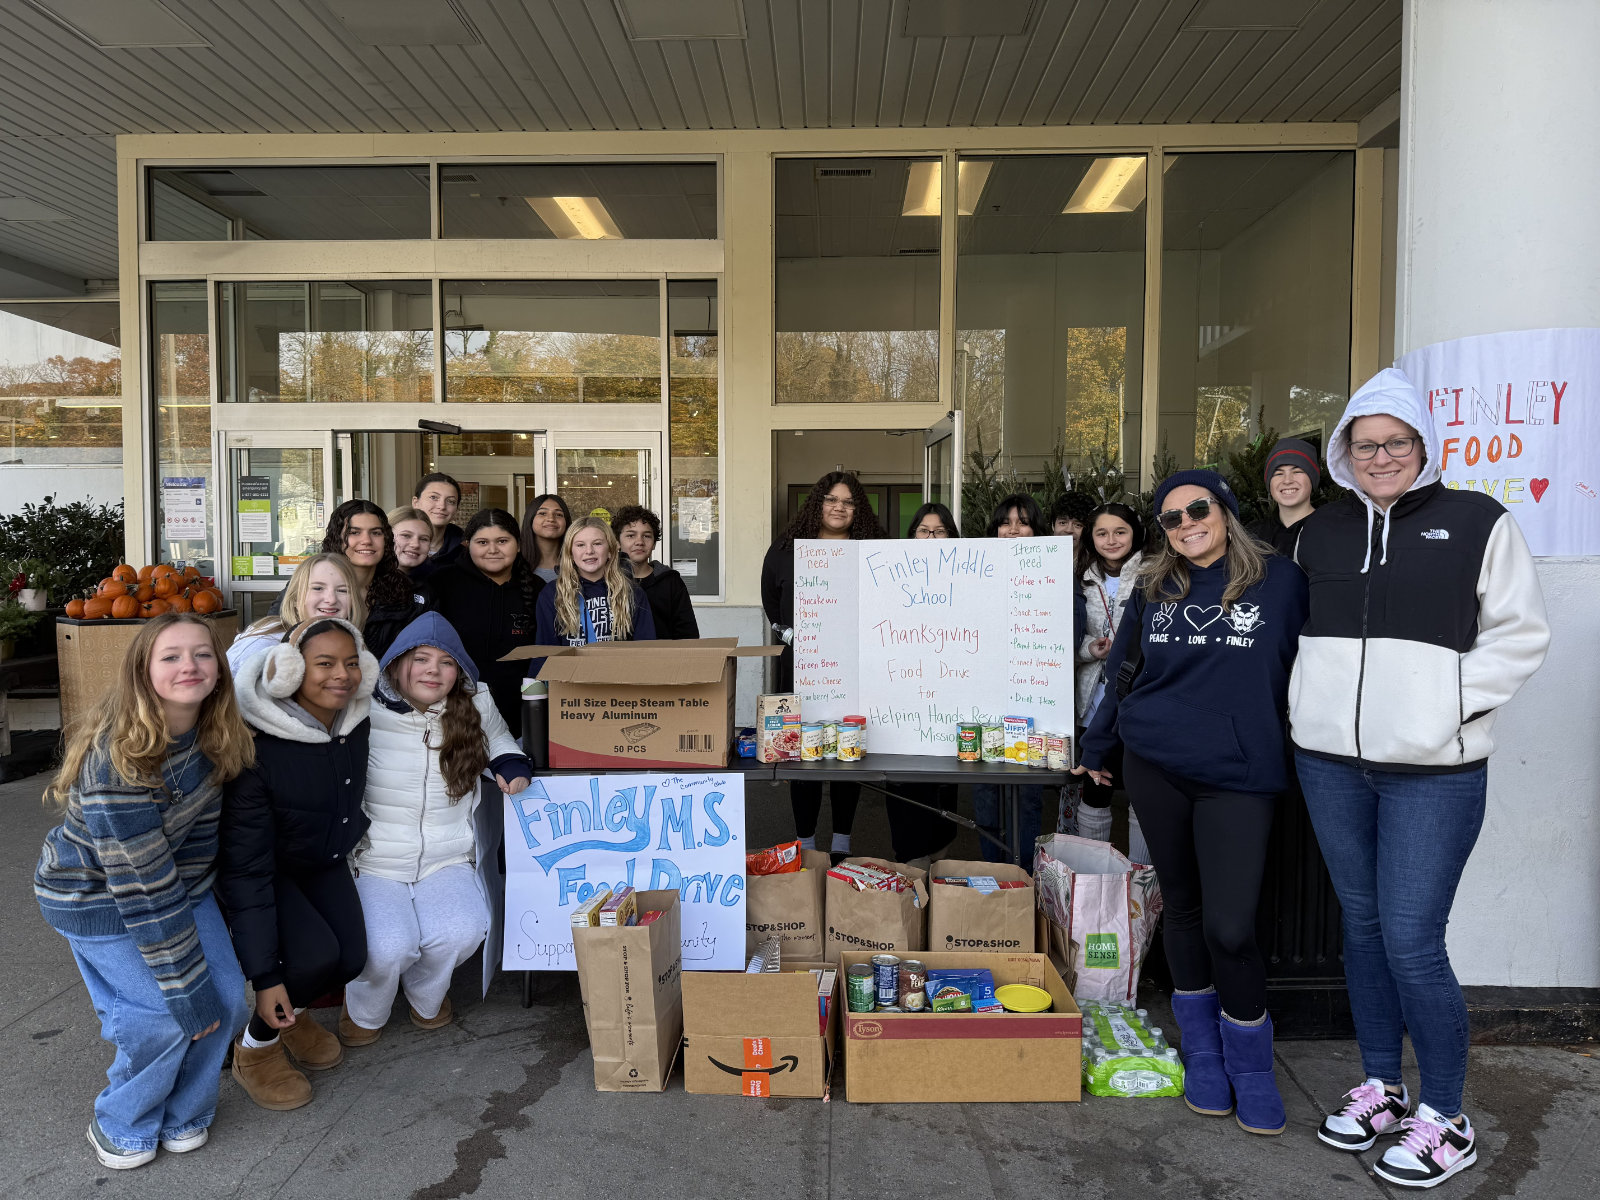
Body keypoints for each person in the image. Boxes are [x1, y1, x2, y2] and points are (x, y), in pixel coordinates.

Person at [1290, 368, 1549, 1188]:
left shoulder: (1477, 521)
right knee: (1361, 929)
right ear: (1344, 453)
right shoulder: (1320, 533)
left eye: (1396, 442)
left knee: (1411, 938)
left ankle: (1447, 1116)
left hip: (1434, 772)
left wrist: (1452, 706)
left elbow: (1519, 632)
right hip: (1331, 764)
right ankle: (1383, 1085)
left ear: (1422, 445)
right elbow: (1290, 632)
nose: (1381, 457)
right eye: (1365, 445)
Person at [1075, 469, 1307, 1137]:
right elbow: (1124, 668)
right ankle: (1203, 1052)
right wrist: (1098, 743)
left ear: (1225, 511)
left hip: (1240, 771)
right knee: (1182, 904)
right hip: (1156, 762)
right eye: (1171, 519)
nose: (1186, 524)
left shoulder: (1281, 582)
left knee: (1231, 926)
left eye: (1197, 509)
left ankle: (1252, 1066)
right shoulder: (1156, 584)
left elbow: (1318, 664)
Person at [34, 614, 254, 1170]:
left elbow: (200, 843)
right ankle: (122, 1118)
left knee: (225, 1000)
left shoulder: (215, 733)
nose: (190, 666)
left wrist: (205, 965)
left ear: (220, 668)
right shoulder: (118, 757)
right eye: (171, 656)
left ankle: (186, 1108)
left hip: (178, 886)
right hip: (96, 897)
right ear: (143, 670)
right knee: (163, 1014)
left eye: (203, 654)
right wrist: (183, 985)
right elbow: (142, 888)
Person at [341, 613, 531, 1045]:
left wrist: (509, 763)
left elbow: (498, 738)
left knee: (462, 931)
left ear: (459, 671)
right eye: (421, 658)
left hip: (448, 854)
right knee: (387, 947)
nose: (433, 670)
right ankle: (366, 1012)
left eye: (446, 662)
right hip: (375, 859)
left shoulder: (475, 702)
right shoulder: (362, 706)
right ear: (394, 664)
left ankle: (426, 997)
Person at [220, 618, 376, 1112]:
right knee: (311, 961)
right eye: (324, 663)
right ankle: (255, 1047)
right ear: (288, 671)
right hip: (266, 871)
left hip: (323, 857)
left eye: (352, 663)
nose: (343, 675)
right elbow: (245, 872)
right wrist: (265, 978)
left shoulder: (354, 723)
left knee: (351, 959)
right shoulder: (258, 749)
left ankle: (293, 1013)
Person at [761, 471, 884, 861]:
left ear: (857, 509)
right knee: (805, 754)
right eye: (832, 499)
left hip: (857, 668)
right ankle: (807, 843)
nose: (839, 507)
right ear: (818, 503)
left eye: (848, 502)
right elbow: (770, 601)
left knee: (848, 750)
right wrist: (792, 634)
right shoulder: (784, 549)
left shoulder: (874, 548)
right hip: (802, 668)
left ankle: (843, 842)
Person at [973, 492, 1049, 864]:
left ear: (1038, 530)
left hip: (1033, 704)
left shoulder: (1054, 578)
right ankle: (993, 883)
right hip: (981, 704)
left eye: (1023, 522)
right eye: (1005, 522)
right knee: (985, 795)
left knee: (1025, 797)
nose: (1013, 530)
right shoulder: (974, 574)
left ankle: (1024, 883)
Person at [886, 502, 961, 865]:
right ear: (911, 536)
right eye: (924, 531)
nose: (931, 538)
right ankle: (912, 873)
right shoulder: (888, 580)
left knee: (944, 794)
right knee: (905, 789)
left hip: (951, 700)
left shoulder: (968, 581)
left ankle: (940, 865)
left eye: (940, 531)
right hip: (901, 701)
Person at [1074, 502, 1148, 854]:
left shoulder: (1156, 573)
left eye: (1120, 531)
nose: (1111, 540)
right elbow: (1059, 640)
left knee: (1143, 794)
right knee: (1096, 787)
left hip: (1140, 700)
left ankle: (1142, 890)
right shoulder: (1079, 577)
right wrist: (1092, 648)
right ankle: (1094, 882)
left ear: (1135, 533)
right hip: (1093, 702)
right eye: (1101, 533)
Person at [431, 508, 544, 729]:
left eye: (502, 541)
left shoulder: (539, 590)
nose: (493, 550)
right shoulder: (441, 584)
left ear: (519, 544)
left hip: (521, 718)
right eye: (482, 542)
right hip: (452, 713)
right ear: (467, 545)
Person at [317, 500, 430, 658]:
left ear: (387, 539)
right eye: (354, 532)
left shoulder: (406, 593)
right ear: (337, 538)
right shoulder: (309, 586)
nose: (367, 541)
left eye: (376, 532)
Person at [228, 554, 365, 674]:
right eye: (318, 588)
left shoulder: (351, 646)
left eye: (342, 590)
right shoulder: (264, 645)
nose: (331, 599)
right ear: (295, 598)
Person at [533, 517, 657, 650]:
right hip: (570, 670)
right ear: (570, 553)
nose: (589, 551)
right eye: (580, 545)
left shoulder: (632, 592)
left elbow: (645, 650)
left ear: (610, 550)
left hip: (620, 670)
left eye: (597, 543)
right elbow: (544, 651)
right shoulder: (553, 593)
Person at [611, 504, 699, 639]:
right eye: (630, 536)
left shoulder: (671, 581)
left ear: (654, 544)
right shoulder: (608, 581)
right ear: (617, 542)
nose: (639, 541)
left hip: (663, 657)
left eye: (646, 536)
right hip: (619, 658)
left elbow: (687, 633)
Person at [1247, 438, 1322, 555]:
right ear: (1269, 483)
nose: (1287, 481)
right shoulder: (1252, 535)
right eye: (1279, 473)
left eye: (1297, 472)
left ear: (1312, 478)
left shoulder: (1330, 530)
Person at [410, 473, 463, 576]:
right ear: (415, 502)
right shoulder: (395, 544)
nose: (442, 506)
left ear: (456, 509)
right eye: (434, 497)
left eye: (451, 501)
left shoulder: (464, 551)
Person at [520, 493, 571, 583]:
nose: (551, 519)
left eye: (559, 514)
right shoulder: (515, 565)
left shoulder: (577, 564)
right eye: (542, 513)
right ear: (530, 519)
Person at [387, 505, 434, 573]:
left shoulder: (440, 580)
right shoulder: (368, 580)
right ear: (386, 536)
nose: (415, 545)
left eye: (423, 539)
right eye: (406, 535)